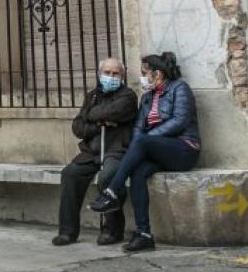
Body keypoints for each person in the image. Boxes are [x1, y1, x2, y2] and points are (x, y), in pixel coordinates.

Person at [88, 51, 200, 253]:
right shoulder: (147, 98)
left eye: (144, 73)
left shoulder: (179, 88)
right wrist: (145, 141)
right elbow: (138, 129)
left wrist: (149, 139)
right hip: (157, 150)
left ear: (157, 74)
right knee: (138, 172)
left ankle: (112, 191)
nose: (142, 77)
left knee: (141, 141)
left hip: (184, 149)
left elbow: (179, 121)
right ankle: (144, 234)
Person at [55, 58, 138, 246]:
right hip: (91, 151)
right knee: (70, 174)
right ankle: (67, 232)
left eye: (115, 73)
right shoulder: (92, 96)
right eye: (107, 73)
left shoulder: (128, 96)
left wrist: (93, 116)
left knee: (107, 177)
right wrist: (97, 125)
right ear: (100, 75)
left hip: (117, 150)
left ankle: (112, 230)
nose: (111, 77)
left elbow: (114, 112)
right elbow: (77, 126)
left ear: (122, 76)